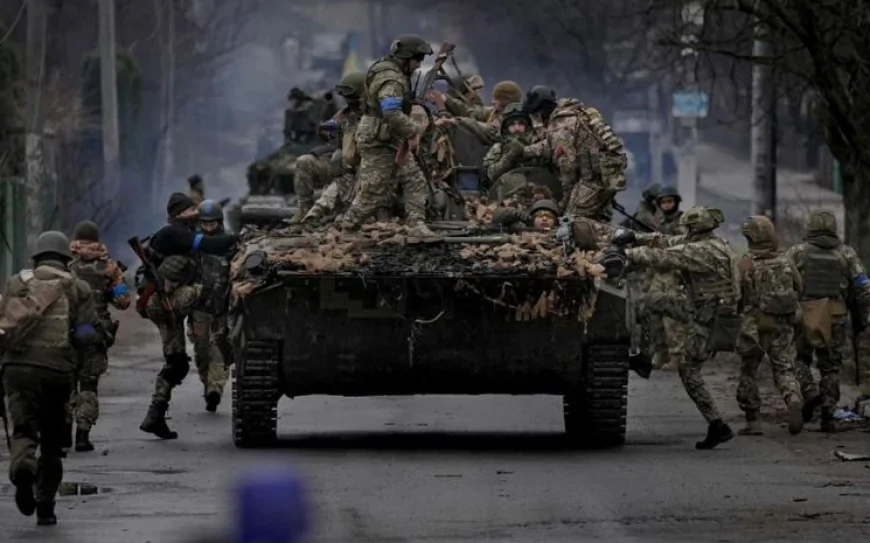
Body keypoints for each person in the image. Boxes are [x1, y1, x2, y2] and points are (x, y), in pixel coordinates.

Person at [605, 206, 737, 449]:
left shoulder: (704, 251)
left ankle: (718, 425)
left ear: (695, 228)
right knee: (654, 302)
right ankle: (645, 357)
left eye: (687, 227)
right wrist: (634, 236)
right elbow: (665, 241)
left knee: (688, 371)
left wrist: (628, 254)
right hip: (699, 308)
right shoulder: (707, 241)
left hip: (709, 319)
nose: (683, 230)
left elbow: (666, 256)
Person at [0, 230, 100, 525]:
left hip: (17, 370)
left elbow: (4, 328)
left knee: (24, 430)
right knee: (54, 442)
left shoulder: (16, 282)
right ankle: (45, 507)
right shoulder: (77, 287)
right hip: (57, 371)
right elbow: (86, 333)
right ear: (66, 259)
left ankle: (22, 469)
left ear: (37, 257)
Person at [138, 192, 238, 439]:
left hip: (164, 304)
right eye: (191, 209)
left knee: (177, 362)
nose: (196, 212)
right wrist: (241, 238)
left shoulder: (174, 232)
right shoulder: (175, 233)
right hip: (166, 302)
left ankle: (155, 415)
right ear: (181, 213)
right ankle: (155, 415)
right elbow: (212, 244)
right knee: (203, 291)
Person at [339, 35, 433, 235]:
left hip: (389, 137)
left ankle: (416, 224)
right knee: (374, 191)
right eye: (417, 60)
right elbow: (390, 112)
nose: (418, 66)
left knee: (414, 179)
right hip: (378, 140)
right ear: (406, 57)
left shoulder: (392, 72)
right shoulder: (391, 78)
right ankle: (348, 226)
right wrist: (412, 131)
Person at [785, 208, 870, 431]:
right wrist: (862, 317)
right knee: (830, 366)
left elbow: (784, 282)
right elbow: (863, 287)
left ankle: (810, 393)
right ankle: (828, 412)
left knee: (799, 360)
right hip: (835, 316)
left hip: (805, 314)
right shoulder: (847, 254)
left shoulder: (796, 252)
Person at [735, 215, 804, 435]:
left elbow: (737, 295)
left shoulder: (746, 263)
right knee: (784, 367)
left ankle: (753, 420)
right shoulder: (786, 261)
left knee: (749, 371)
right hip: (783, 322)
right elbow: (799, 287)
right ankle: (792, 396)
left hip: (755, 325)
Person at [67, 220, 132, 451]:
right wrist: (119, 283)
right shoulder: (109, 268)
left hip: (68, 331)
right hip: (95, 332)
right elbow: (123, 302)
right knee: (89, 384)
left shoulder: (66, 266)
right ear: (97, 240)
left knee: (66, 383)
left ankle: (64, 434)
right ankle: (82, 435)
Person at [522, 86, 628, 220]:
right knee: (594, 221)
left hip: (591, 183)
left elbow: (568, 168)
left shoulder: (561, 124)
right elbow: (550, 145)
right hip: (602, 178)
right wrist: (526, 151)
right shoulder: (574, 113)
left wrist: (562, 205)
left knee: (570, 223)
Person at [291, 72, 366, 221]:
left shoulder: (373, 115)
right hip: (339, 162)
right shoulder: (344, 114)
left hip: (361, 168)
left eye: (351, 97)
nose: (348, 101)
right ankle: (304, 209)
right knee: (304, 161)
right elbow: (329, 133)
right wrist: (325, 129)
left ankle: (335, 211)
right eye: (346, 97)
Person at [188, 199, 232, 412]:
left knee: (219, 349)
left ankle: (216, 388)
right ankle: (208, 384)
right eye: (205, 223)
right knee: (201, 348)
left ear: (219, 222)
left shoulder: (228, 244)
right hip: (198, 306)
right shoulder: (195, 245)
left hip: (220, 307)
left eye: (212, 223)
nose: (208, 227)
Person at [483, 103, 550, 184]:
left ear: (528, 127)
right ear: (505, 129)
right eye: (512, 124)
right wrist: (510, 156)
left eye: (521, 124)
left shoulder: (538, 146)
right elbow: (490, 175)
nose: (517, 128)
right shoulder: (498, 148)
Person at [491, 199, 561, 232]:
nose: (544, 219)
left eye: (549, 216)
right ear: (532, 218)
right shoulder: (521, 228)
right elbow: (496, 219)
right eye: (540, 216)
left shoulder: (560, 232)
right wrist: (514, 213)